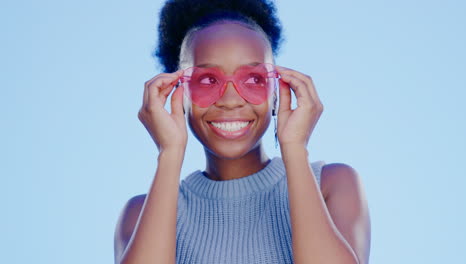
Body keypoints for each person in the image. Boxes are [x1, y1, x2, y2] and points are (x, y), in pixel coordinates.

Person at [114, 0, 371, 263]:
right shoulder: (139, 214)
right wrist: (169, 153)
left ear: (275, 92)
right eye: (207, 80)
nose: (230, 100)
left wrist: (295, 148)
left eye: (252, 79)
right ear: (176, 92)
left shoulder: (332, 184)